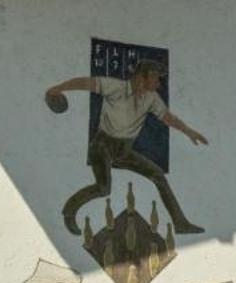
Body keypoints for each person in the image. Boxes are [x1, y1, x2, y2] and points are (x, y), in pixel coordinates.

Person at [46, 59, 208, 235]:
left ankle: (181, 224)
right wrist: (57, 89)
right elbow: (84, 82)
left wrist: (189, 131)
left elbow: (167, 117)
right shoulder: (115, 87)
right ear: (141, 78)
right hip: (102, 147)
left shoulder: (151, 98)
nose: (158, 82)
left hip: (124, 151)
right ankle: (69, 212)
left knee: (158, 175)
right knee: (103, 188)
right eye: (155, 77)